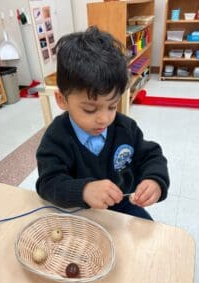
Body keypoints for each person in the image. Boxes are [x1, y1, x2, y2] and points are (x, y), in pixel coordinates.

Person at [36, 26, 169, 221]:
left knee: (146, 230)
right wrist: (83, 190)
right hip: (76, 210)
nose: (104, 119)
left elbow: (152, 155)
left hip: (122, 205)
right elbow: (47, 183)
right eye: (90, 109)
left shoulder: (125, 128)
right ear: (62, 100)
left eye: (112, 106)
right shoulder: (56, 137)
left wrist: (155, 180)